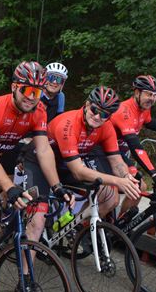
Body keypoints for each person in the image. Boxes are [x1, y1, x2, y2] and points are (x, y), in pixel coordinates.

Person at [0, 61, 71, 262]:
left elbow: (43, 150)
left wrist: (57, 186)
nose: (30, 97)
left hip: (8, 151)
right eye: (25, 90)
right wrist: (10, 188)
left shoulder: (39, 110)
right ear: (14, 87)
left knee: (4, 199)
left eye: (36, 92)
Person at [24, 86, 140, 228]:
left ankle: (77, 232)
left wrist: (126, 177)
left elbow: (116, 161)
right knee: (37, 222)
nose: (97, 117)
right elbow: (78, 172)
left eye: (104, 115)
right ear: (86, 104)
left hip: (64, 165)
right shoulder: (69, 124)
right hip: (39, 163)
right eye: (94, 110)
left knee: (110, 198)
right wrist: (117, 181)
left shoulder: (107, 127)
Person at [110, 74, 156, 215]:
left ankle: (119, 224)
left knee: (140, 187)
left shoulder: (143, 108)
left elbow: (149, 122)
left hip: (120, 153)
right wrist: (154, 173)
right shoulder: (124, 110)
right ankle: (92, 225)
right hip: (106, 153)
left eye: (155, 95)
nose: (152, 99)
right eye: (149, 94)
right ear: (137, 92)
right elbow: (135, 146)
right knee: (115, 195)